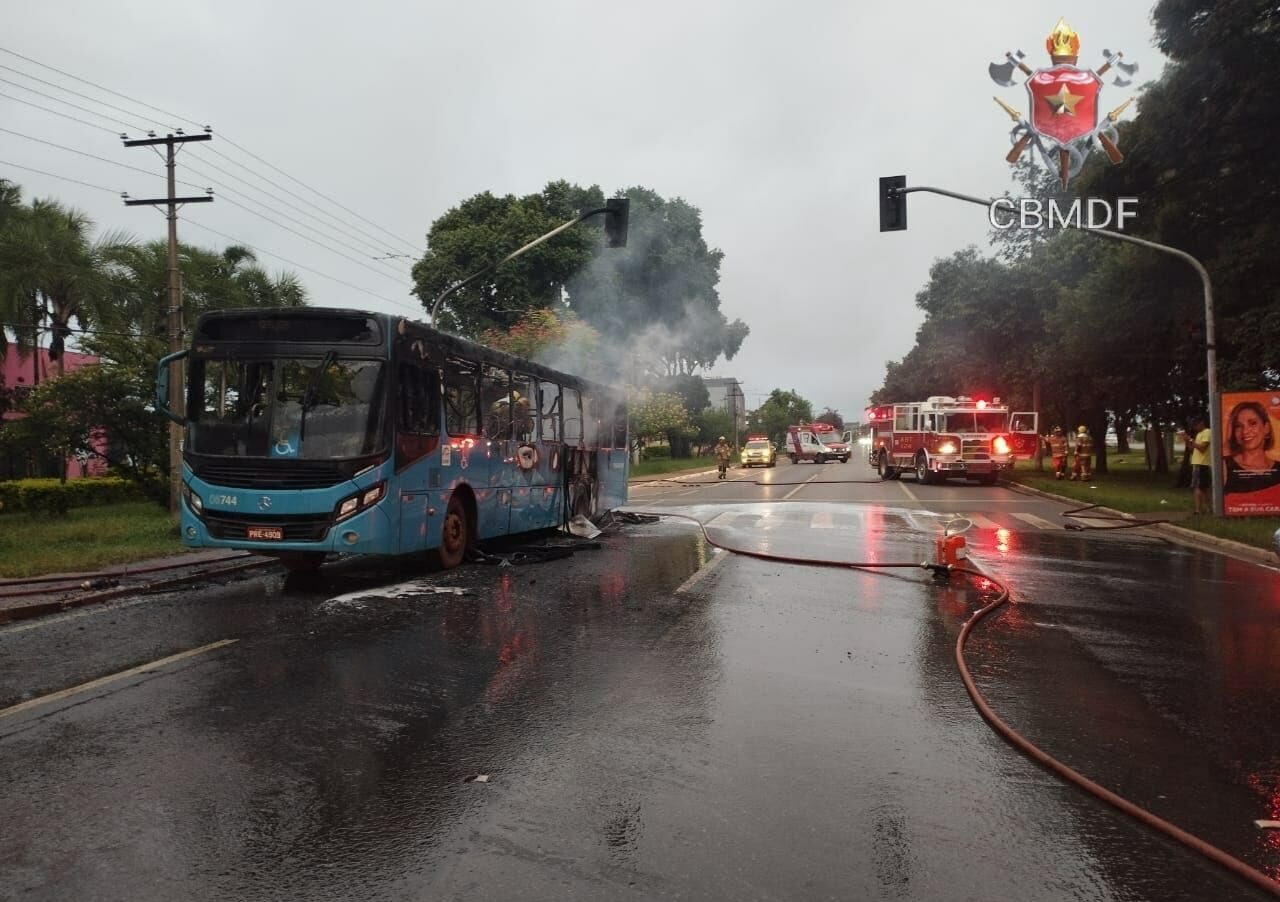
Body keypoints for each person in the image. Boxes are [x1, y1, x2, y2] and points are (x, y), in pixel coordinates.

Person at [1223, 401, 1280, 495]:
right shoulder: (1225, 466)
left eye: (1253, 423)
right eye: (1238, 426)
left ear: (1266, 428)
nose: (1245, 431)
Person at [1184, 417, 1212, 514]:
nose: (1195, 427)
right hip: (1197, 462)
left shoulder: (1207, 432)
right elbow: (1192, 449)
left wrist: (1191, 440)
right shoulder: (1199, 434)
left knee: (1198, 487)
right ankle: (1208, 508)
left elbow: (1202, 448)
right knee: (1203, 487)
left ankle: (1198, 510)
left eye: (1196, 425)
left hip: (1202, 463)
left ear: (1201, 423)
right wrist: (1187, 441)